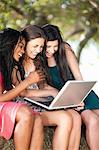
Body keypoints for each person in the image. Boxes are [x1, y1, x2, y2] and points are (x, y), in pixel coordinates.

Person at [42, 24, 99, 150]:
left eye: (55, 46)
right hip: (66, 99)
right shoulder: (39, 58)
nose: (51, 50)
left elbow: (78, 76)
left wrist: (80, 97)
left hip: (80, 92)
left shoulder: (65, 49)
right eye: (48, 46)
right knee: (93, 121)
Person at [18, 24, 73, 150]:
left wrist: (56, 93)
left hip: (39, 105)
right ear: (25, 43)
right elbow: (22, 92)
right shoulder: (17, 63)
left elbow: (42, 86)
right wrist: (52, 93)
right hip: (25, 107)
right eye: (35, 46)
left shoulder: (37, 61)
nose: (38, 50)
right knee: (65, 117)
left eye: (41, 47)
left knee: (67, 118)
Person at [0, 28, 45, 150]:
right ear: (9, 44)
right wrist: (28, 81)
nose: (22, 50)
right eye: (20, 46)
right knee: (25, 112)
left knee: (38, 119)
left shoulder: (9, 66)